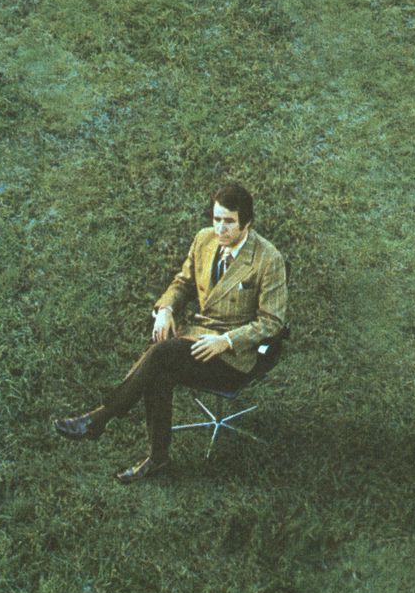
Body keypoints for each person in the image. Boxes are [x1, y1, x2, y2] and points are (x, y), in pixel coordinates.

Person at [53, 183, 288, 483]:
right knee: (159, 369)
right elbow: (182, 283)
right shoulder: (204, 240)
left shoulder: (268, 259)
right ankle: (157, 458)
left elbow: (272, 322)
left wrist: (225, 341)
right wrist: (165, 309)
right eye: (216, 219)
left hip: (234, 356)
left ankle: (100, 418)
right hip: (197, 337)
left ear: (247, 222)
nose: (220, 228)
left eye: (228, 221)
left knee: (162, 355)